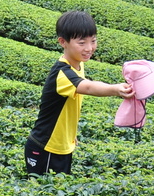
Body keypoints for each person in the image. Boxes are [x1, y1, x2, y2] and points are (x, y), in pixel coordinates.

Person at [26, 10, 134, 175]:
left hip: (63, 145)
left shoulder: (77, 63)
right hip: (46, 146)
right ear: (63, 42)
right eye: (82, 43)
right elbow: (88, 87)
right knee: (44, 194)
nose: (89, 48)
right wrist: (116, 89)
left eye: (93, 41)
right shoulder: (62, 73)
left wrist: (71, 135)